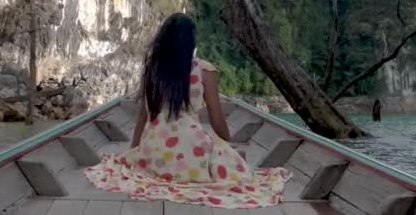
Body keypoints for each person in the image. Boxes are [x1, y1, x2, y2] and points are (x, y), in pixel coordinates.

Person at [85, 13, 291, 208]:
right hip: (191, 149)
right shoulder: (204, 70)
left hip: (153, 150)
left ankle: (159, 163)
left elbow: (144, 115)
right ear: (191, 42)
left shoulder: (153, 69)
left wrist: (135, 152)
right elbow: (216, 118)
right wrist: (227, 149)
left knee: (178, 149)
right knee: (227, 158)